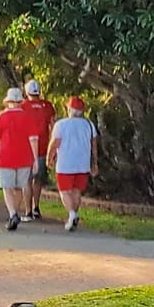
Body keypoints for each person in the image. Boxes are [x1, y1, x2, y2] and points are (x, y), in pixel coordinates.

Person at [0, 87, 40, 231]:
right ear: (21, 101)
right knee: (19, 187)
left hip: (6, 157)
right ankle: (15, 212)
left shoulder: (2, 116)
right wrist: (35, 159)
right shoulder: (27, 117)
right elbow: (33, 139)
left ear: (8, 101)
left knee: (7, 187)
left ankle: (12, 213)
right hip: (24, 158)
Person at [47, 96, 99, 231]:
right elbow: (94, 145)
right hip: (83, 164)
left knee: (64, 191)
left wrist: (49, 158)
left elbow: (54, 144)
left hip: (65, 164)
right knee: (77, 191)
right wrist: (95, 163)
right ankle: (73, 217)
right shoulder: (89, 125)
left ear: (69, 109)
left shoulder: (61, 125)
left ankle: (72, 214)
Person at [20, 79, 56, 221]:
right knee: (38, 179)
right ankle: (36, 207)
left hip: (26, 148)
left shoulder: (22, 106)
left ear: (26, 92)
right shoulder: (47, 106)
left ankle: (28, 210)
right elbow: (53, 126)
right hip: (42, 147)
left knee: (26, 180)